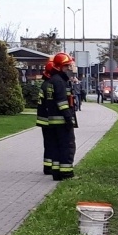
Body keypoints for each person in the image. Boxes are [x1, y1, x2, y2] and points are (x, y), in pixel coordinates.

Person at [44, 52, 78, 180]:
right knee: (67, 147)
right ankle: (66, 173)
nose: (69, 69)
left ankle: (57, 173)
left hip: (55, 121)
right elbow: (62, 102)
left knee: (57, 148)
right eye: (67, 66)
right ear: (60, 67)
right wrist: (68, 118)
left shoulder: (55, 80)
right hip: (62, 121)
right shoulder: (59, 81)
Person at [36, 60, 58, 175]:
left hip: (43, 119)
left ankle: (47, 166)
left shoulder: (45, 84)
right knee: (51, 143)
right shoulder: (49, 85)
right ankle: (49, 167)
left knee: (48, 143)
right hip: (48, 119)